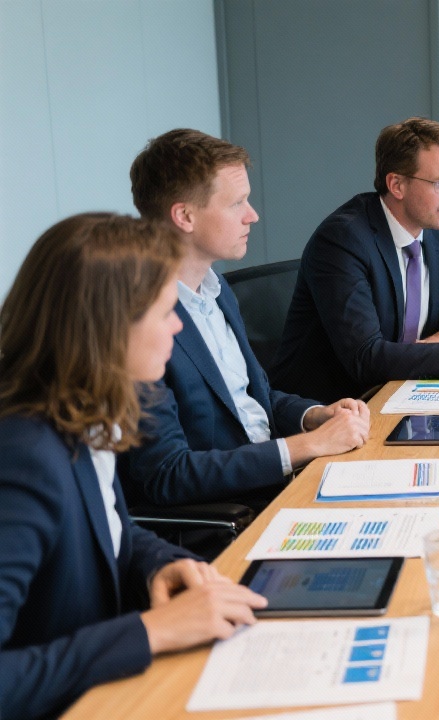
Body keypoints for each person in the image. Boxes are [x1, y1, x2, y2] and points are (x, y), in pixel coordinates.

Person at [0, 214, 267, 718]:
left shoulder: (83, 416)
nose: (178, 326)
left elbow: (113, 530)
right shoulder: (25, 457)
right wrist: (151, 631)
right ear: (108, 325)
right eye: (166, 311)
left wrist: (164, 563)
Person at [121, 129, 371, 516]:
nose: (252, 215)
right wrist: (309, 446)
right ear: (184, 215)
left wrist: (315, 416)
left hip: (281, 481)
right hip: (233, 514)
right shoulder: (140, 324)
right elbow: (167, 474)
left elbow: (255, 397)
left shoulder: (216, 288)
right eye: (237, 202)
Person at [270, 117, 439, 403]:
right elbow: (366, 358)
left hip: (408, 392)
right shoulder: (343, 240)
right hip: (335, 408)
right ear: (396, 185)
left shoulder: (437, 232)